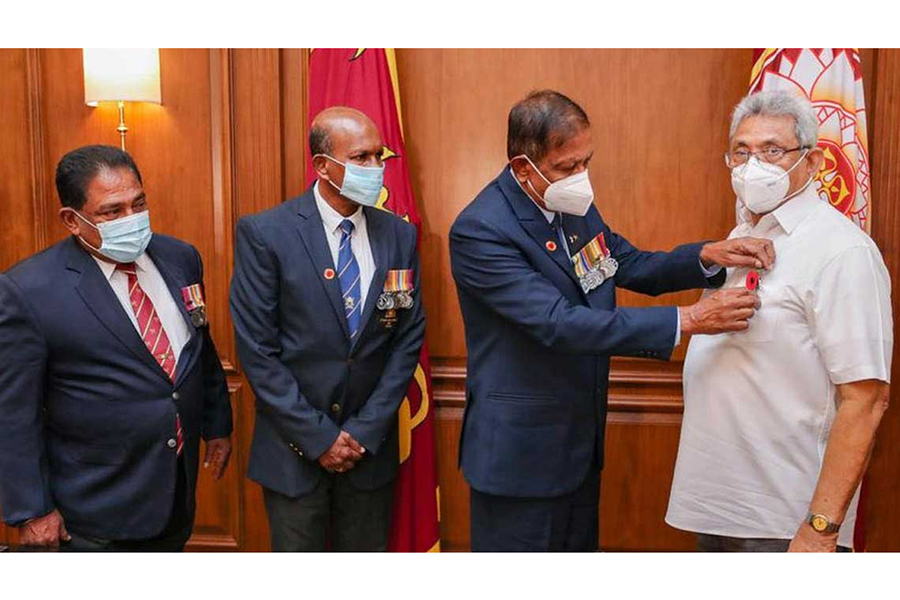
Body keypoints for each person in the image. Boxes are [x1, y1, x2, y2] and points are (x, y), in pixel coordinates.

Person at [449, 89, 774, 552]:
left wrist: (705, 256)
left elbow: (624, 262)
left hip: (578, 450)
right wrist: (688, 319)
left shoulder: (570, 207)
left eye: (587, 162)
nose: (581, 177)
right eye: (567, 167)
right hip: (519, 460)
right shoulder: (481, 230)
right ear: (525, 168)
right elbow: (559, 323)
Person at [666, 90, 893, 552]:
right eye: (742, 152)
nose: (755, 166)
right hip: (716, 509)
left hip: (786, 524)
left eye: (773, 151)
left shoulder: (841, 251)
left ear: (812, 163)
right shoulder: (741, 236)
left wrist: (820, 529)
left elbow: (866, 400)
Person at [0, 145, 233, 551]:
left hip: (174, 492)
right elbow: (13, 413)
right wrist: (32, 510)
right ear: (72, 220)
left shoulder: (180, 258)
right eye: (112, 211)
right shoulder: (28, 291)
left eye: (138, 203)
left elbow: (200, 348)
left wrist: (217, 425)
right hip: (93, 511)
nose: (133, 219)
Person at [230, 107, 425, 552]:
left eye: (379, 157)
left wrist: (364, 431)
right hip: (294, 455)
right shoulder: (266, 233)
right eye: (361, 158)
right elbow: (258, 350)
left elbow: (407, 338)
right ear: (322, 165)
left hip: (368, 453)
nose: (375, 169)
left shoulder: (399, 235)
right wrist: (319, 438)